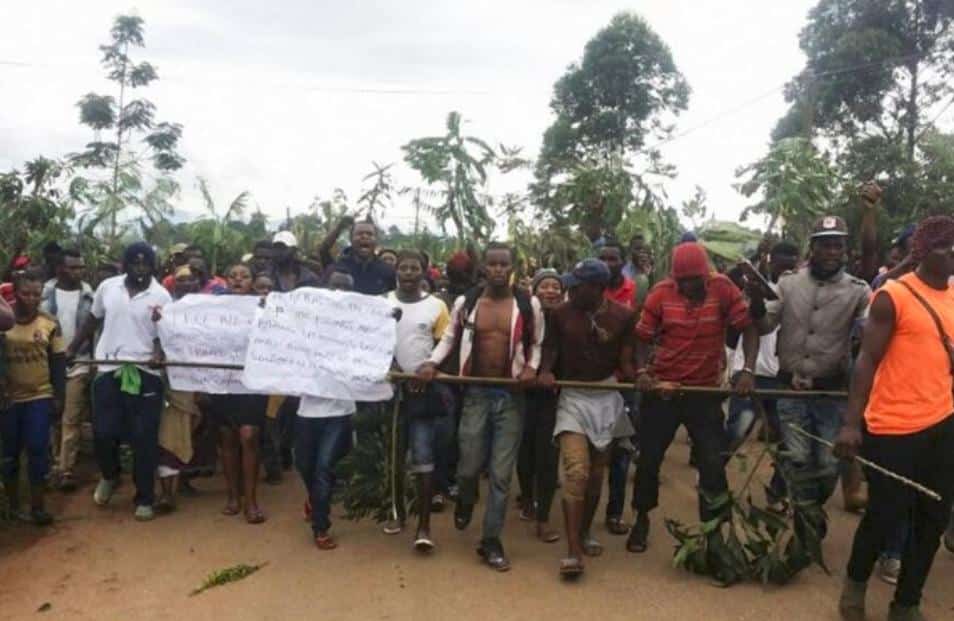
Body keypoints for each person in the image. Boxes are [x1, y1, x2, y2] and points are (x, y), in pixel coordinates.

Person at [835, 216, 954, 621]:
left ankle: (906, 603)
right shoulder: (893, 296)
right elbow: (866, 361)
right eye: (944, 246)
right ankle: (854, 584)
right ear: (922, 251)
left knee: (933, 519)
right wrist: (852, 424)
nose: (952, 253)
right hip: (892, 426)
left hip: (943, 423)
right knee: (886, 515)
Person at [417, 242, 544, 572]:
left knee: (501, 475)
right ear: (483, 268)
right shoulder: (468, 301)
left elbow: (537, 344)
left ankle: (490, 541)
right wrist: (431, 362)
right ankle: (466, 498)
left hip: (511, 396)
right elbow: (449, 337)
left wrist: (531, 367)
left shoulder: (527, 303)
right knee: (468, 467)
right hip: (475, 393)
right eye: (493, 264)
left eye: (504, 264)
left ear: (513, 266)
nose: (499, 270)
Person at [628, 242, 758, 555]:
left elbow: (749, 329)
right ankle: (641, 518)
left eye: (695, 281)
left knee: (712, 463)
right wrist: (643, 372)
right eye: (683, 282)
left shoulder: (724, 289)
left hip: (704, 393)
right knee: (648, 460)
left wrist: (748, 370)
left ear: (706, 275)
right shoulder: (660, 293)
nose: (689, 287)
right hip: (664, 390)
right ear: (675, 279)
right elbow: (642, 338)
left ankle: (714, 532)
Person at [749, 216, 871, 538]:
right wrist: (755, 304)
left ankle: (810, 510)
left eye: (837, 245)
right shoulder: (788, 284)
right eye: (825, 244)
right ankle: (805, 521)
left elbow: (867, 338)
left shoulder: (859, 291)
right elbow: (764, 325)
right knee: (799, 457)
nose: (832, 251)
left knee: (829, 464)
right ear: (812, 248)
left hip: (830, 394)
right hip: (791, 387)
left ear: (845, 250)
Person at [538, 259, 636, 577]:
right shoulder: (560, 314)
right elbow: (551, 349)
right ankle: (572, 550)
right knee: (576, 471)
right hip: (573, 397)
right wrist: (546, 371)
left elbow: (627, 360)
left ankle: (584, 531)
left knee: (596, 476)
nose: (571, 289)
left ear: (596, 288)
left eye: (577, 285)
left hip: (606, 397)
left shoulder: (622, 316)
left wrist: (644, 376)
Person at [68, 242, 172, 522]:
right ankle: (110, 475)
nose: (140, 269)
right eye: (135, 263)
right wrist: (72, 348)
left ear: (153, 266)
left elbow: (165, 334)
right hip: (108, 368)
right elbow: (92, 320)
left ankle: (145, 497)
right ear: (125, 265)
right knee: (103, 432)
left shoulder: (161, 296)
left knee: (143, 438)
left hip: (145, 373)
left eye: (145, 264)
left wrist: (159, 354)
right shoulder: (108, 287)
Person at [386, 250, 453, 550]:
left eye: (415, 268)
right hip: (388, 390)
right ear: (397, 271)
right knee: (394, 455)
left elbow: (444, 344)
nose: (409, 272)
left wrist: (428, 369)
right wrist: (397, 371)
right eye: (404, 267)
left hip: (423, 391)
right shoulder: (382, 302)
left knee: (423, 458)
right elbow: (371, 341)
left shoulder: (437, 306)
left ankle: (424, 527)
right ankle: (397, 513)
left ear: (424, 272)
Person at [296, 272, 357, 551]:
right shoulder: (307, 323)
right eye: (334, 286)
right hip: (307, 409)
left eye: (345, 288)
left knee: (323, 468)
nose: (338, 292)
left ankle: (320, 526)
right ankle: (314, 499)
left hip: (339, 409)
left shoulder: (360, 328)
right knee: (305, 465)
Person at [1, 270, 66, 525]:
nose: (31, 298)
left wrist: (59, 396)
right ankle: (13, 506)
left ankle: (38, 506)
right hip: (8, 399)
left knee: (38, 449)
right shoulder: (3, 321)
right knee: (10, 452)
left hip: (39, 394)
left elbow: (58, 361)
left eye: (37, 294)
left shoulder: (49, 322)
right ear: (15, 293)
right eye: (26, 293)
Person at [211, 263, 269, 524]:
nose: (238, 280)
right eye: (232, 276)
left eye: (244, 276)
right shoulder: (213, 307)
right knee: (226, 438)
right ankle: (233, 496)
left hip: (251, 380)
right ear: (226, 281)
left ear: (252, 282)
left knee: (249, 435)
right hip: (223, 381)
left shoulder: (264, 306)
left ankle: (251, 500)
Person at [516, 269, 563, 544]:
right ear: (534, 291)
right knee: (525, 449)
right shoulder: (524, 316)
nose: (550, 291)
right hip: (525, 390)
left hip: (554, 394)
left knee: (548, 453)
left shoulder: (567, 317)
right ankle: (527, 498)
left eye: (555, 286)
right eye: (544, 286)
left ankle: (543, 515)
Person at [41, 249, 94, 492]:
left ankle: (65, 469)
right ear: (60, 269)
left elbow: (94, 328)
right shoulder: (44, 293)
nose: (77, 272)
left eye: (80, 267)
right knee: (52, 414)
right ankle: (51, 463)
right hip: (47, 363)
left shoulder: (89, 294)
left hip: (78, 362)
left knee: (71, 417)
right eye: (73, 267)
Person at [597, 240, 639, 536]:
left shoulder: (637, 290)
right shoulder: (585, 291)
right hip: (592, 379)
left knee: (622, 448)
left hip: (625, 380)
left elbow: (645, 333)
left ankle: (614, 512)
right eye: (603, 258)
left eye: (614, 258)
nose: (609, 263)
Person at [154, 265, 202, 514]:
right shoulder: (165, 310)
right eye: (181, 279)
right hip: (173, 381)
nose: (187, 283)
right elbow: (156, 340)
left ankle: (182, 480)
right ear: (173, 283)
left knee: (191, 429)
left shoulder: (211, 311)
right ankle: (167, 493)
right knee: (170, 432)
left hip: (202, 383)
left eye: (191, 279)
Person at [329, 220, 395, 295]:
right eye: (359, 234)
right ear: (351, 239)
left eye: (370, 234)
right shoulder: (336, 268)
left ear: (376, 240)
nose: (365, 236)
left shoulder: (388, 271)